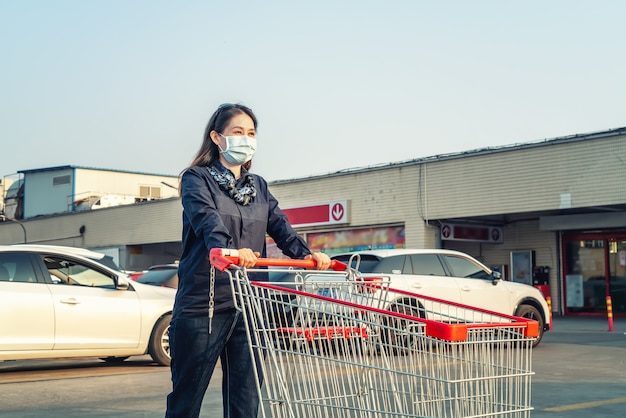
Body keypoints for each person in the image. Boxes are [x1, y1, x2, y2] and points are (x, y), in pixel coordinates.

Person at [165, 103, 331, 418]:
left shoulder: (258, 187)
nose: (246, 138)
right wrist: (228, 251)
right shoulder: (196, 179)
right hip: (205, 303)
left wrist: (309, 256)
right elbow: (206, 220)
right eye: (237, 132)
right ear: (216, 137)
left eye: (251, 133)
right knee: (186, 400)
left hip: (251, 303)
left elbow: (281, 229)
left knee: (246, 399)